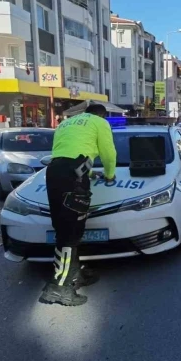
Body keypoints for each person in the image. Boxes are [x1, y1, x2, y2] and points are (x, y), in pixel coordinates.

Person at [38, 104, 117, 306]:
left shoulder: (66, 123)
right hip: (71, 179)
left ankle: (74, 275)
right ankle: (59, 288)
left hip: (54, 173)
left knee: (63, 228)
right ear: (102, 114)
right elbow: (108, 153)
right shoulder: (100, 122)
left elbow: (72, 155)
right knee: (70, 234)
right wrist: (109, 175)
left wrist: (89, 173)